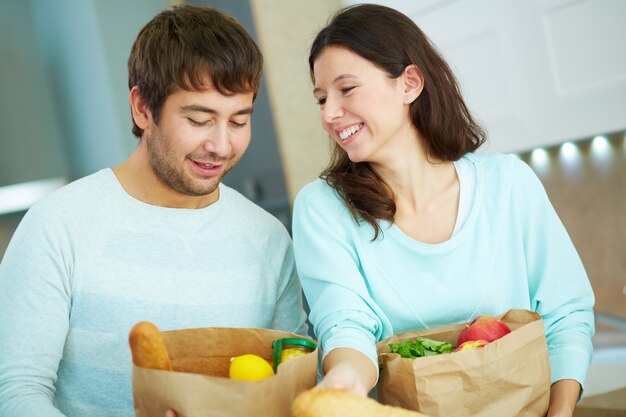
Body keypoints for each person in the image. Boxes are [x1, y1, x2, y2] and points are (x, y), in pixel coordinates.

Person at [0, 5, 308, 417]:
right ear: (143, 108)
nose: (221, 145)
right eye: (199, 119)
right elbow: (16, 391)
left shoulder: (268, 239)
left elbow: (296, 383)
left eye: (238, 121)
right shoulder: (59, 224)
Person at [292, 4, 594, 417]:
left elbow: (565, 314)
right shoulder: (323, 208)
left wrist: (560, 411)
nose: (328, 114)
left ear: (409, 84)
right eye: (321, 98)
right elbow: (345, 326)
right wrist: (344, 381)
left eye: (347, 90)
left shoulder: (508, 185)